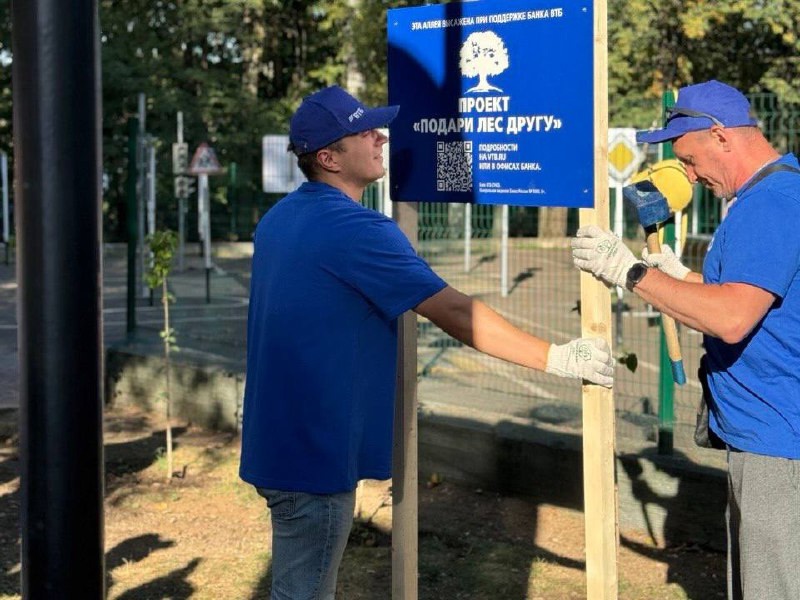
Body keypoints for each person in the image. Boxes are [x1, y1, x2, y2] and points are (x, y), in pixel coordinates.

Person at [239, 85, 615, 600]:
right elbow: (456, 312)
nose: (379, 137)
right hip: (316, 458)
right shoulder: (357, 229)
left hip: (278, 445)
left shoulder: (278, 219)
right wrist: (559, 358)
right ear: (328, 158)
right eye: (363, 131)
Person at [571, 79, 800, 600]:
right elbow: (756, 296)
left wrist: (632, 274)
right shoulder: (776, 193)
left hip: (781, 444)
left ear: (721, 136)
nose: (690, 176)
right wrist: (678, 279)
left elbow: (734, 318)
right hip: (768, 437)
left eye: (690, 160)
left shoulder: (772, 203)